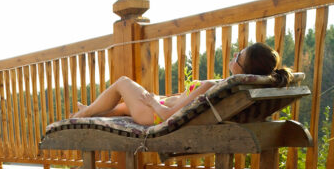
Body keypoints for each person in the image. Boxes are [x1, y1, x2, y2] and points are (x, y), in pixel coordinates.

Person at [71, 42, 293, 126]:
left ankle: (81, 116)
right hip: (157, 106)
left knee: (122, 82)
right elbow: (182, 104)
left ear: (244, 69)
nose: (234, 55)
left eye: (239, 57)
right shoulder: (224, 87)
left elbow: (168, 116)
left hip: (155, 114)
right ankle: (90, 111)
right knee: (118, 108)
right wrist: (159, 99)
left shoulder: (211, 87)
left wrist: (152, 101)